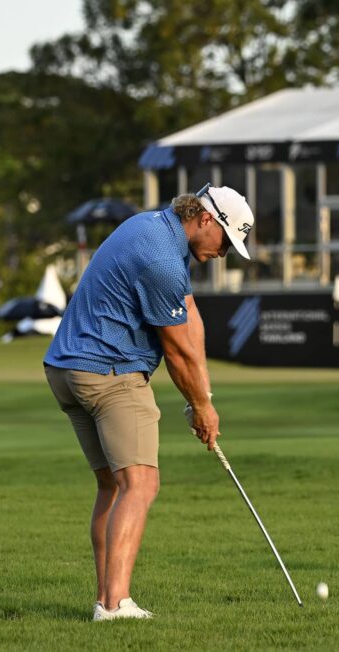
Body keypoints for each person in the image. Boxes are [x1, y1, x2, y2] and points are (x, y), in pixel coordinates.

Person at [43, 184, 254, 621]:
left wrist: (205, 394)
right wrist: (201, 408)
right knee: (141, 485)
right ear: (205, 221)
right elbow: (175, 352)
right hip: (110, 373)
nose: (225, 254)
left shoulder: (152, 229)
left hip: (67, 370)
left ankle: (105, 599)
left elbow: (189, 319)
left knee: (114, 486)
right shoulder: (161, 260)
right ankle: (116, 604)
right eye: (227, 243)